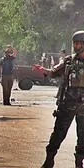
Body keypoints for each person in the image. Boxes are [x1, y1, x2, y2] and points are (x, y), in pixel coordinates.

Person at [40, 31, 84, 168]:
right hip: (68, 104)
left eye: (79, 43)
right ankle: (49, 159)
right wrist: (43, 70)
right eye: (75, 43)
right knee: (58, 133)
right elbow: (54, 72)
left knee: (83, 138)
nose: (76, 46)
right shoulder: (69, 60)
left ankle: (79, 162)